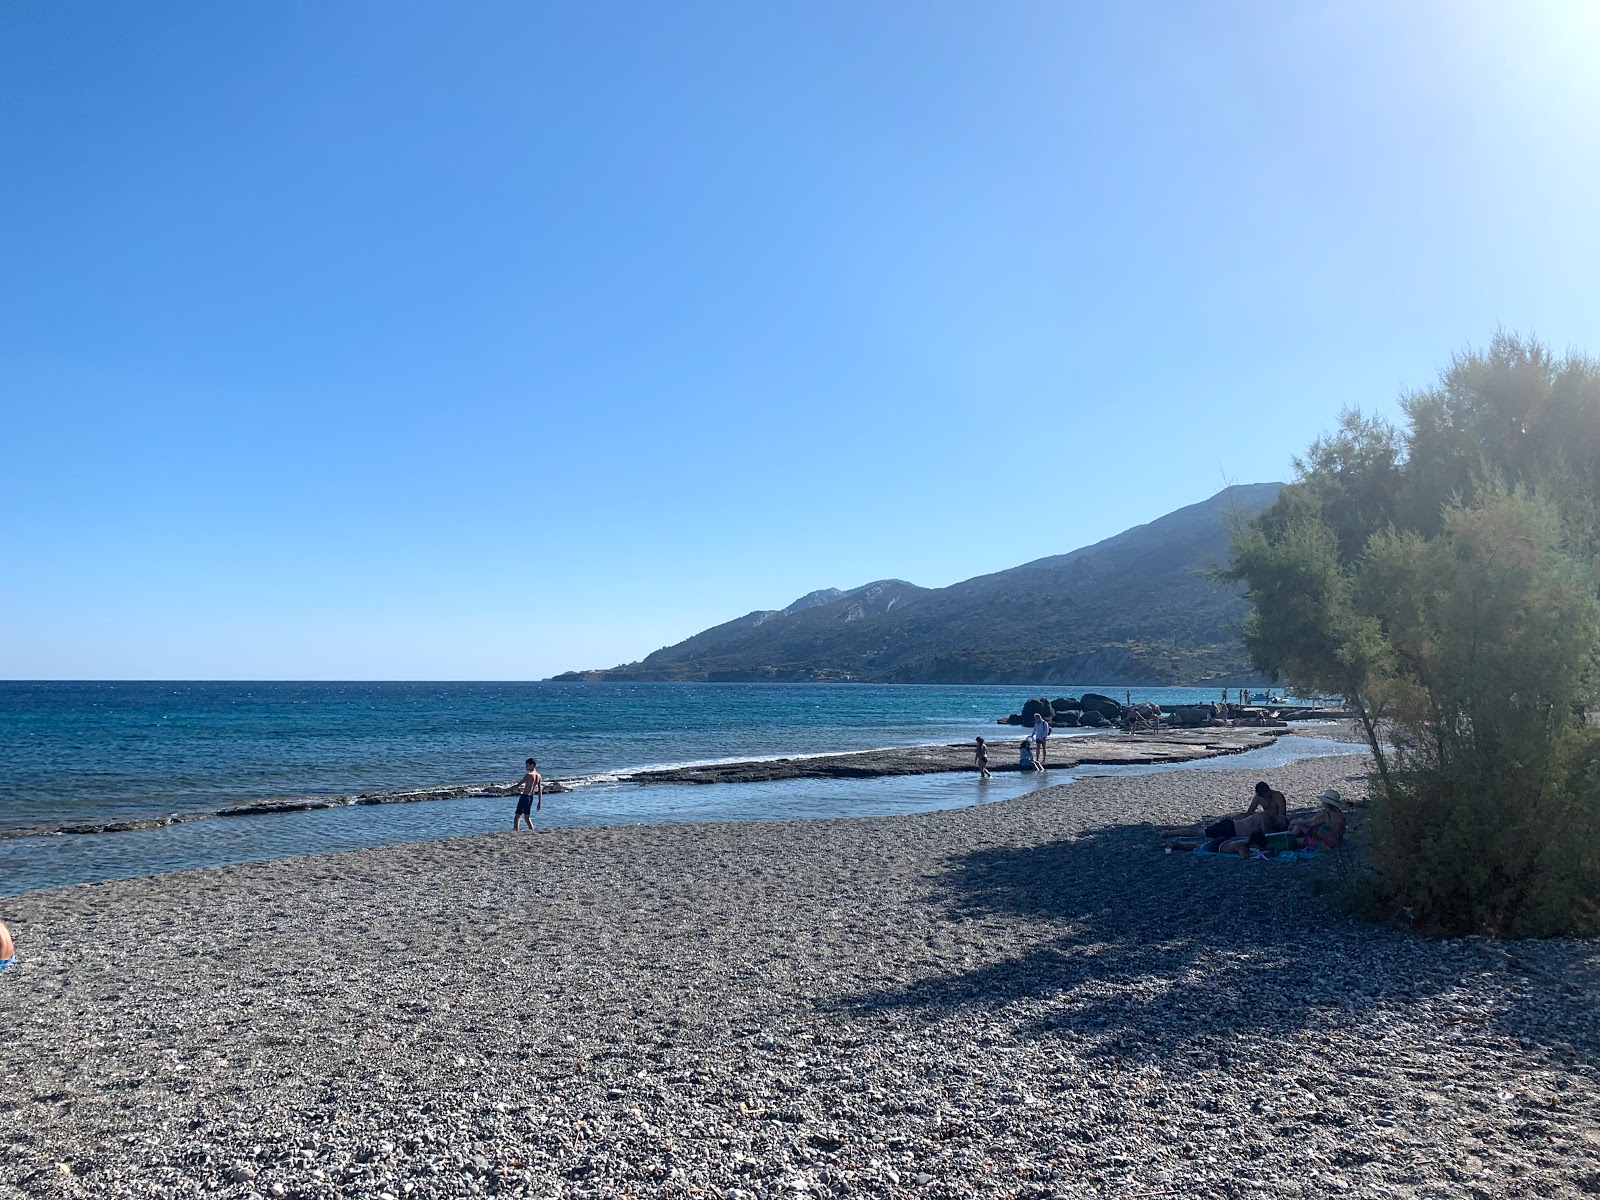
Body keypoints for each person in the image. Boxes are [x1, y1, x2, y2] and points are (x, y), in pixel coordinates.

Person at [513, 757, 543, 831]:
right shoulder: (539, 776)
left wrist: (506, 790)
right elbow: (539, 790)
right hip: (530, 798)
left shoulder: (529, 775)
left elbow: (517, 785)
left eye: (527, 765)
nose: (526, 767)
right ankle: (532, 830)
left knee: (517, 816)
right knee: (527, 817)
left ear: (532, 765)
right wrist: (539, 802)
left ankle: (516, 831)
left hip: (524, 797)